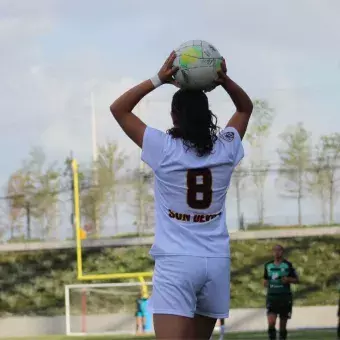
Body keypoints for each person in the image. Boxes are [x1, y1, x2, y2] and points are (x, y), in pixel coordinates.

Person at [110, 51, 253, 340]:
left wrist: (158, 79)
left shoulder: (164, 148)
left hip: (177, 262)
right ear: (207, 114)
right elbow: (245, 109)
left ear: (175, 115)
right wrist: (224, 80)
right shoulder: (225, 147)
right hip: (215, 260)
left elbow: (119, 109)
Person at [263, 244, 299, 340]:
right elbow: (265, 279)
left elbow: (296, 280)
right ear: (272, 252)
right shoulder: (268, 265)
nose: (277, 252)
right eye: (275, 250)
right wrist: (265, 283)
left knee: (282, 325)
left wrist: (288, 279)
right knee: (271, 323)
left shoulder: (288, 265)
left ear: (282, 252)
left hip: (284, 297)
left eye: (279, 250)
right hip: (272, 297)